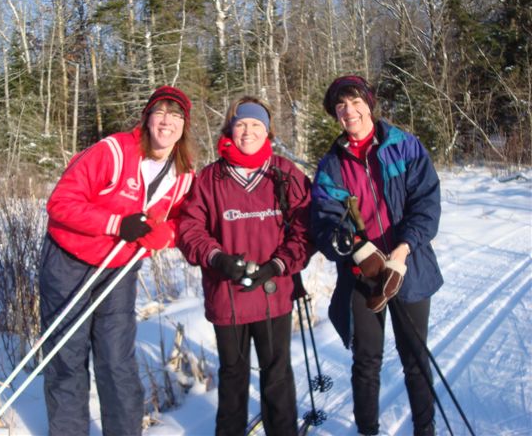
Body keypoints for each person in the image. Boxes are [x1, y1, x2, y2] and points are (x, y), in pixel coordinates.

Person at [39, 86, 195, 436]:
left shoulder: (183, 174)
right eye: (161, 112)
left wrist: (165, 235)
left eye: (176, 115)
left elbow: (186, 221)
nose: (167, 121)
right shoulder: (112, 152)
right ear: (147, 117)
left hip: (119, 270)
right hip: (69, 262)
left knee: (117, 362)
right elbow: (60, 203)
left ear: (185, 126)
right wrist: (116, 223)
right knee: (67, 359)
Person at [310, 75, 443, 436]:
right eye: (340, 106)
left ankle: (425, 430)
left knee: (415, 359)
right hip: (362, 276)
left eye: (354, 102)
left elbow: (426, 203)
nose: (348, 111)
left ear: (369, 103)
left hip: (408, 269)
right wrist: (356, 248)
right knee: (366, 362)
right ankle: (367, 431)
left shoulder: (405, 146)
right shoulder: (332, 166)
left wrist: (402, 250)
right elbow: (323, 221)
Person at [177, 96, 312, 436]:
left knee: (277, 375)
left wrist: (279, 264)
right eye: (241, 124)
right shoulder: (210, 178)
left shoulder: (285, 173)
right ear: (230, 129)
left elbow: (306, 227)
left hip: (273, 291)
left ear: (268, 131)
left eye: (256, 125)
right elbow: (190, 229)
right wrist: (218, 258)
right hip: (228, 295)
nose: (247, 131)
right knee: (233, 376)